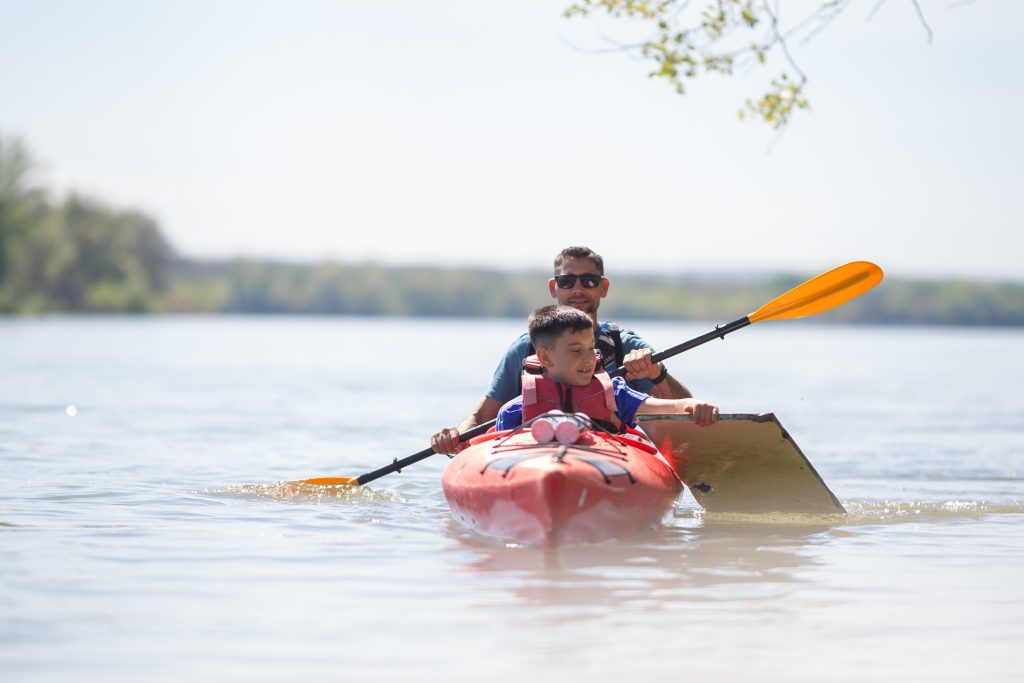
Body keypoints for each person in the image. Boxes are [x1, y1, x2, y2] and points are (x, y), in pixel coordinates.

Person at [432, 245, 693, 454]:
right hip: (532, 456)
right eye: (567, 281)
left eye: (588, 281)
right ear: (553, 288)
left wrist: (657, 373)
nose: (577, 290)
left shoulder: (627, 345)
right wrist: (456, 438)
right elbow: (481, 418)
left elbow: (680, 410)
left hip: (610, 456)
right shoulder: (525, 348)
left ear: (603, 287)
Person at [495, 305, 718, 432]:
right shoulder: (513, 412)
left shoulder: (616, 394)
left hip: (607, 466)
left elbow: (668, 407)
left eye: (591, 348)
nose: (588, 359)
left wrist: (694, 405)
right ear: (545, 356)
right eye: (575, 350)